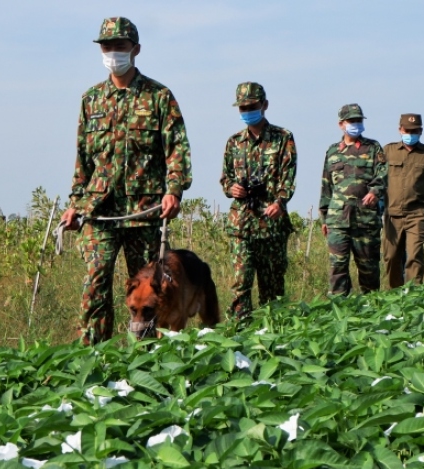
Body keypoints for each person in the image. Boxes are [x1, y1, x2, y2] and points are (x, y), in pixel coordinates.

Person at [59, 17, 192, 345]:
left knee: (150, 292)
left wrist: (173, 191)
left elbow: (177, 150)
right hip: (100, 212)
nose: (113, 53)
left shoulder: (159, 97)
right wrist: (75, 205)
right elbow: (82, 160)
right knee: (95, 282)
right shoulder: (91, 100)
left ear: (136, 49)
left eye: (120, 46)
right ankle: (93, 359)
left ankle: (150, 359)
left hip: (144, 212)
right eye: (107, 47)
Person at [220, 82, 297, 319]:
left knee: (272, 288)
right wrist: (231, 188)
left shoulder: (282, 138)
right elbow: (225, 178)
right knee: (241, 283)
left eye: (251, 106)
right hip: (241, 225)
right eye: (242, 108)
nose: (247, 111)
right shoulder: (234, 142)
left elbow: (288, 178)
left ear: (264, 105)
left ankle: (272, 336)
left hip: (271, 225)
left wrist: (279, 202)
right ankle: (240, 335)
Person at [319, 104, 387, 296]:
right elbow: (326, 187)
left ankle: (372, 311)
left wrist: (375, 191)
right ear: (342, 124)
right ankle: (339, 310)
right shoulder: (332, 152)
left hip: (365, 219)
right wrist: (324, 218)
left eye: (359, 120)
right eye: (352, 121)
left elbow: (383, 174)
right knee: (337, 267)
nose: (356, 124)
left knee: (368, 269)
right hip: (337, 220)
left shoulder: (373, 148)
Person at [382, 114, 424, 288]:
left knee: (414, 256)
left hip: (417, 214)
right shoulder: (388, 151)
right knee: (391, 257)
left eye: (415, 131)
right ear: (400, 130)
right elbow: (377, 181)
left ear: (421, 131)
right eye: (407, 130)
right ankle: (395, 293)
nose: (411, 133)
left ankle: (413, 296)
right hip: (392, 214)